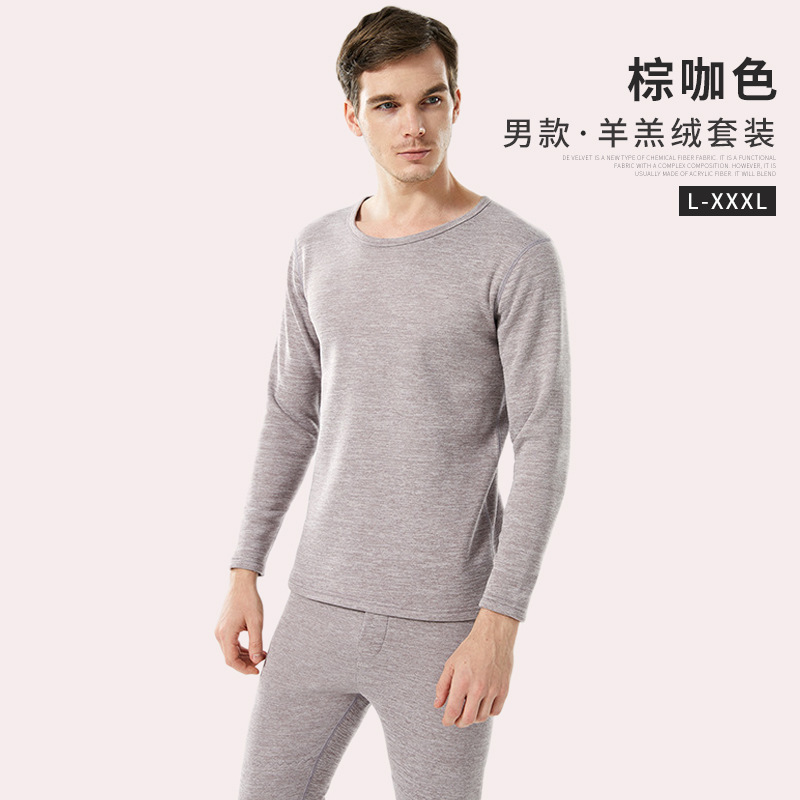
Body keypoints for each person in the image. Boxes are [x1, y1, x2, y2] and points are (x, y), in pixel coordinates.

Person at [214, 6, 571, 799]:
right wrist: (245, 569)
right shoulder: (316, 248)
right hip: (316, 606)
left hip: (445, 626)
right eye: (387, 104)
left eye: (430, 99)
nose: (414, 125)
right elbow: (289, 416)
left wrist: (499, 624)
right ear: (353, 115)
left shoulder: (516, 256)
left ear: (455, 102)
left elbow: (543, 443)